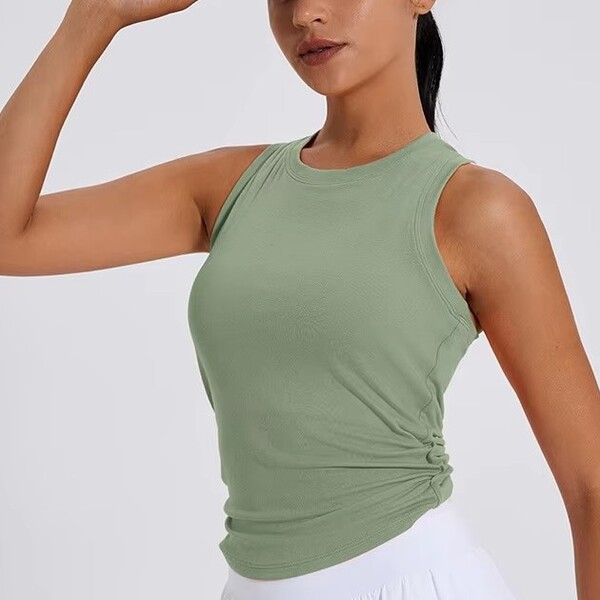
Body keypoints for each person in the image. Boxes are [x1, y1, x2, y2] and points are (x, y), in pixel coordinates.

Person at [1, 0, 598, 599]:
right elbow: (8, 238)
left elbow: (590, 484)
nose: (306, 13)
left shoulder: (477, 210)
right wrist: (94, 16)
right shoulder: (232, 188)